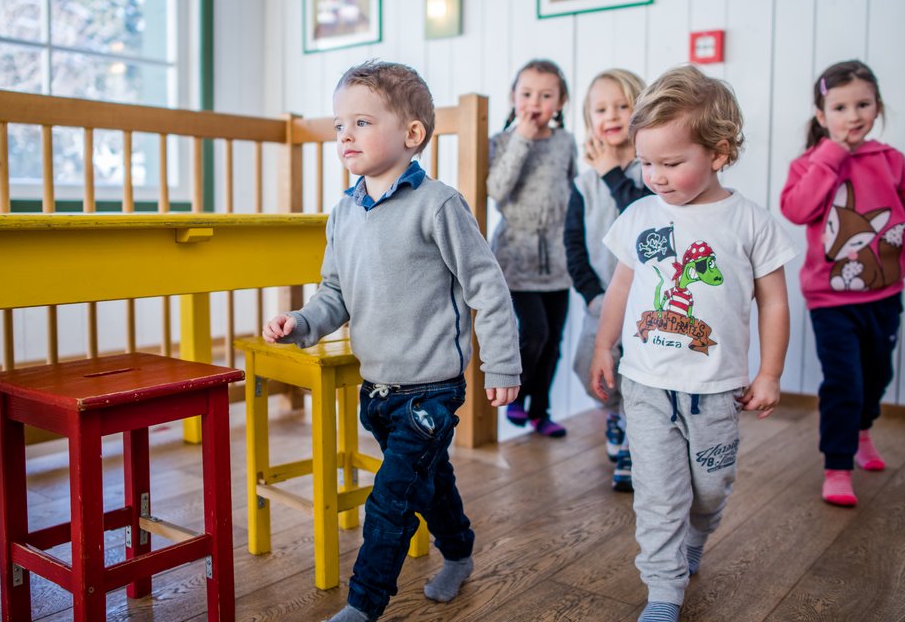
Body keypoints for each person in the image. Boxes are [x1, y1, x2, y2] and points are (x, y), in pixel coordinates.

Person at [263, 60, 522, 622]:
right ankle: (461, 551)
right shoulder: (342, 213)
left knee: (392, 499)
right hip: (377, 388)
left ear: (412, 135)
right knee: (430, 483)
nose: (345, 136)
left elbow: (489, 288)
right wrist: (301, 323)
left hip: (431, 389)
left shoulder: (439, 206)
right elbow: (335, 293)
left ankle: (364, 604)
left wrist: (502, 366)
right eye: (338, 125)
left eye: (361, 122)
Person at [591, 65, 797, 622]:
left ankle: (694, 542)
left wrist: (770, 373)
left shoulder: (749, 222)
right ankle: (663, 590)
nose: (655, 176)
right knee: (658, 496)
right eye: (646, 162)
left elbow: (774, 302)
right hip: (647, 384)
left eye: (672, 163)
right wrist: (605, 345)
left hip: (716, 389)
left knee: (709, 489)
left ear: (719, 152)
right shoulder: (639, 217)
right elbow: (622, 286)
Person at [780, 59, 905, 507]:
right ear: (823, 116)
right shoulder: (810, 164)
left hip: (885, 295)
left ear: (877, 107)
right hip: (830, 301)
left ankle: (863, 430)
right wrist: (831, 155)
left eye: (863, 104)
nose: (853, 115)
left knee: (878, 374)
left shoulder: (890, 161)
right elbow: (797, 209)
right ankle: (838, 465)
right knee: (844, 381)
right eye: (840, 107)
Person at [564, 68, 646, 491]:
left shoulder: (652, 172)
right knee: (588, 368)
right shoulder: (583, 181)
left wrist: (615, 171)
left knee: (638, 375)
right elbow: (573, 244)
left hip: (646, 304)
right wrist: (591, 293)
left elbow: (645, 219)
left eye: (622, 105)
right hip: (603, 303)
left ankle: (635, 442)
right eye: (600, 108)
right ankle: (615, 416)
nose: (611, 115)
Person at [489, 58, 576, 437]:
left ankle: (541, 410)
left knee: (554, 339)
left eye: (545, 95)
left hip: (558, 255)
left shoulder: (565, 142)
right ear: (513, 97)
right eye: (526, 94)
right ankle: (518, 398)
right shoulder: (502, 142)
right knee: (534, 333)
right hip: (516, 254)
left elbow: (573, 188)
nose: (535, 102)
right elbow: (496, 189)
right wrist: (522, 137)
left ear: (560, 102)